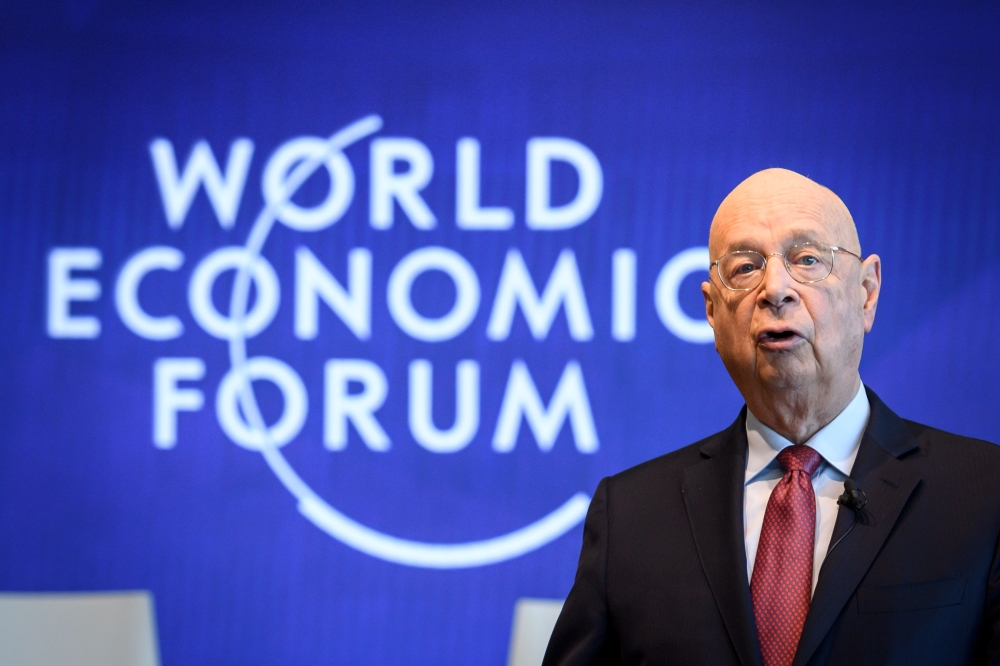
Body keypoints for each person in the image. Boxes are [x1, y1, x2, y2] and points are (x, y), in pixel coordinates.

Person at [542, 168, 1000, 666]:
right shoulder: (631, 516)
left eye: (806, 260)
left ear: (866, 293)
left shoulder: (983, 495)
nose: (775, 289)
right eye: (744, 268)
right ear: (713, 313)